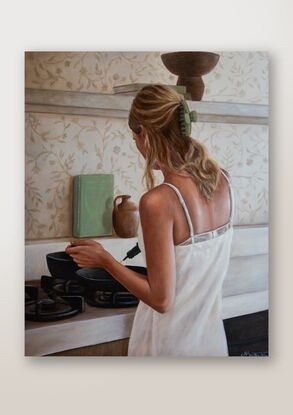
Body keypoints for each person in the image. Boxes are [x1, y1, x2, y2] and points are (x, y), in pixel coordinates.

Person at [66, 84, 235, 357]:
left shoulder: (158, 201)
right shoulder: (224, 180)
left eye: (135, 141)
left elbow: (162, 300)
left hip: (167, 348)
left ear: (142, 132)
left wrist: (105, 260)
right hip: (212, 345)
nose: (140, 150)